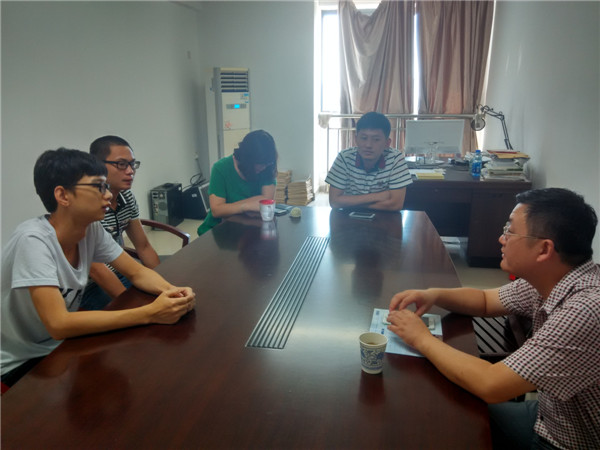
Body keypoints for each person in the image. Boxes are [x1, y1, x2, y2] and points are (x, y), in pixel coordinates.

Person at [387, 188, 599, 450]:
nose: (501, 238)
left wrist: (421, 338)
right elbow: (486, 300)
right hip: (550, 415)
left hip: (567, 442)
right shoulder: (553, 277)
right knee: (443, 409)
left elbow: (491, 384)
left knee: (441, 426)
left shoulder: (585, 310)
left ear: (544, 249)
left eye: (510, 231)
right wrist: (434, 294)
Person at [1, 148, 196, 388]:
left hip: (58, 347)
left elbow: (136, 272)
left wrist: (172, 292)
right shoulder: (32, 240)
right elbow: (59, 324)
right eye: (98, 187)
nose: (108, 195)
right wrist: (150, 313)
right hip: (18, 361)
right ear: (63, 195)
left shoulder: (90, 229)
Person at [80, 135, 159, 310]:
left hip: (121, 271)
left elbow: (143, 246)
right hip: (89, 287)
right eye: (122, 164)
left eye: (132, 164)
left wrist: (165, 281)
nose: (130, 171)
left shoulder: (126, 196)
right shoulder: (86, 205)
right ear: (97, 166)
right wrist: (136, 307)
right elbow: (97, 270)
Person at [325, 111, 412, 211]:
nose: (368, 145)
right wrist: (378, 196)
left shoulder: (396, 159)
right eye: (364, 138)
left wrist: (351, 203)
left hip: (385, 218)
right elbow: (334, 201)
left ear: (387, 143)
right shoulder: (344, 158)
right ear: (356, 139)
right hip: (349, 218)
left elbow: (395, 205)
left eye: (376, 139)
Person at [197, 129, 277, 236]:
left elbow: (266, 200)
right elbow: (217, 210)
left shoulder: (266, 168)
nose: (263, 167)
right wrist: (246, 206)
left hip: (249, 230)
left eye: (267, 163)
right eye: (260, 164)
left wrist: (229, 207)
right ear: (248, 159)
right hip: (218, 231)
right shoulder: (221, 168)